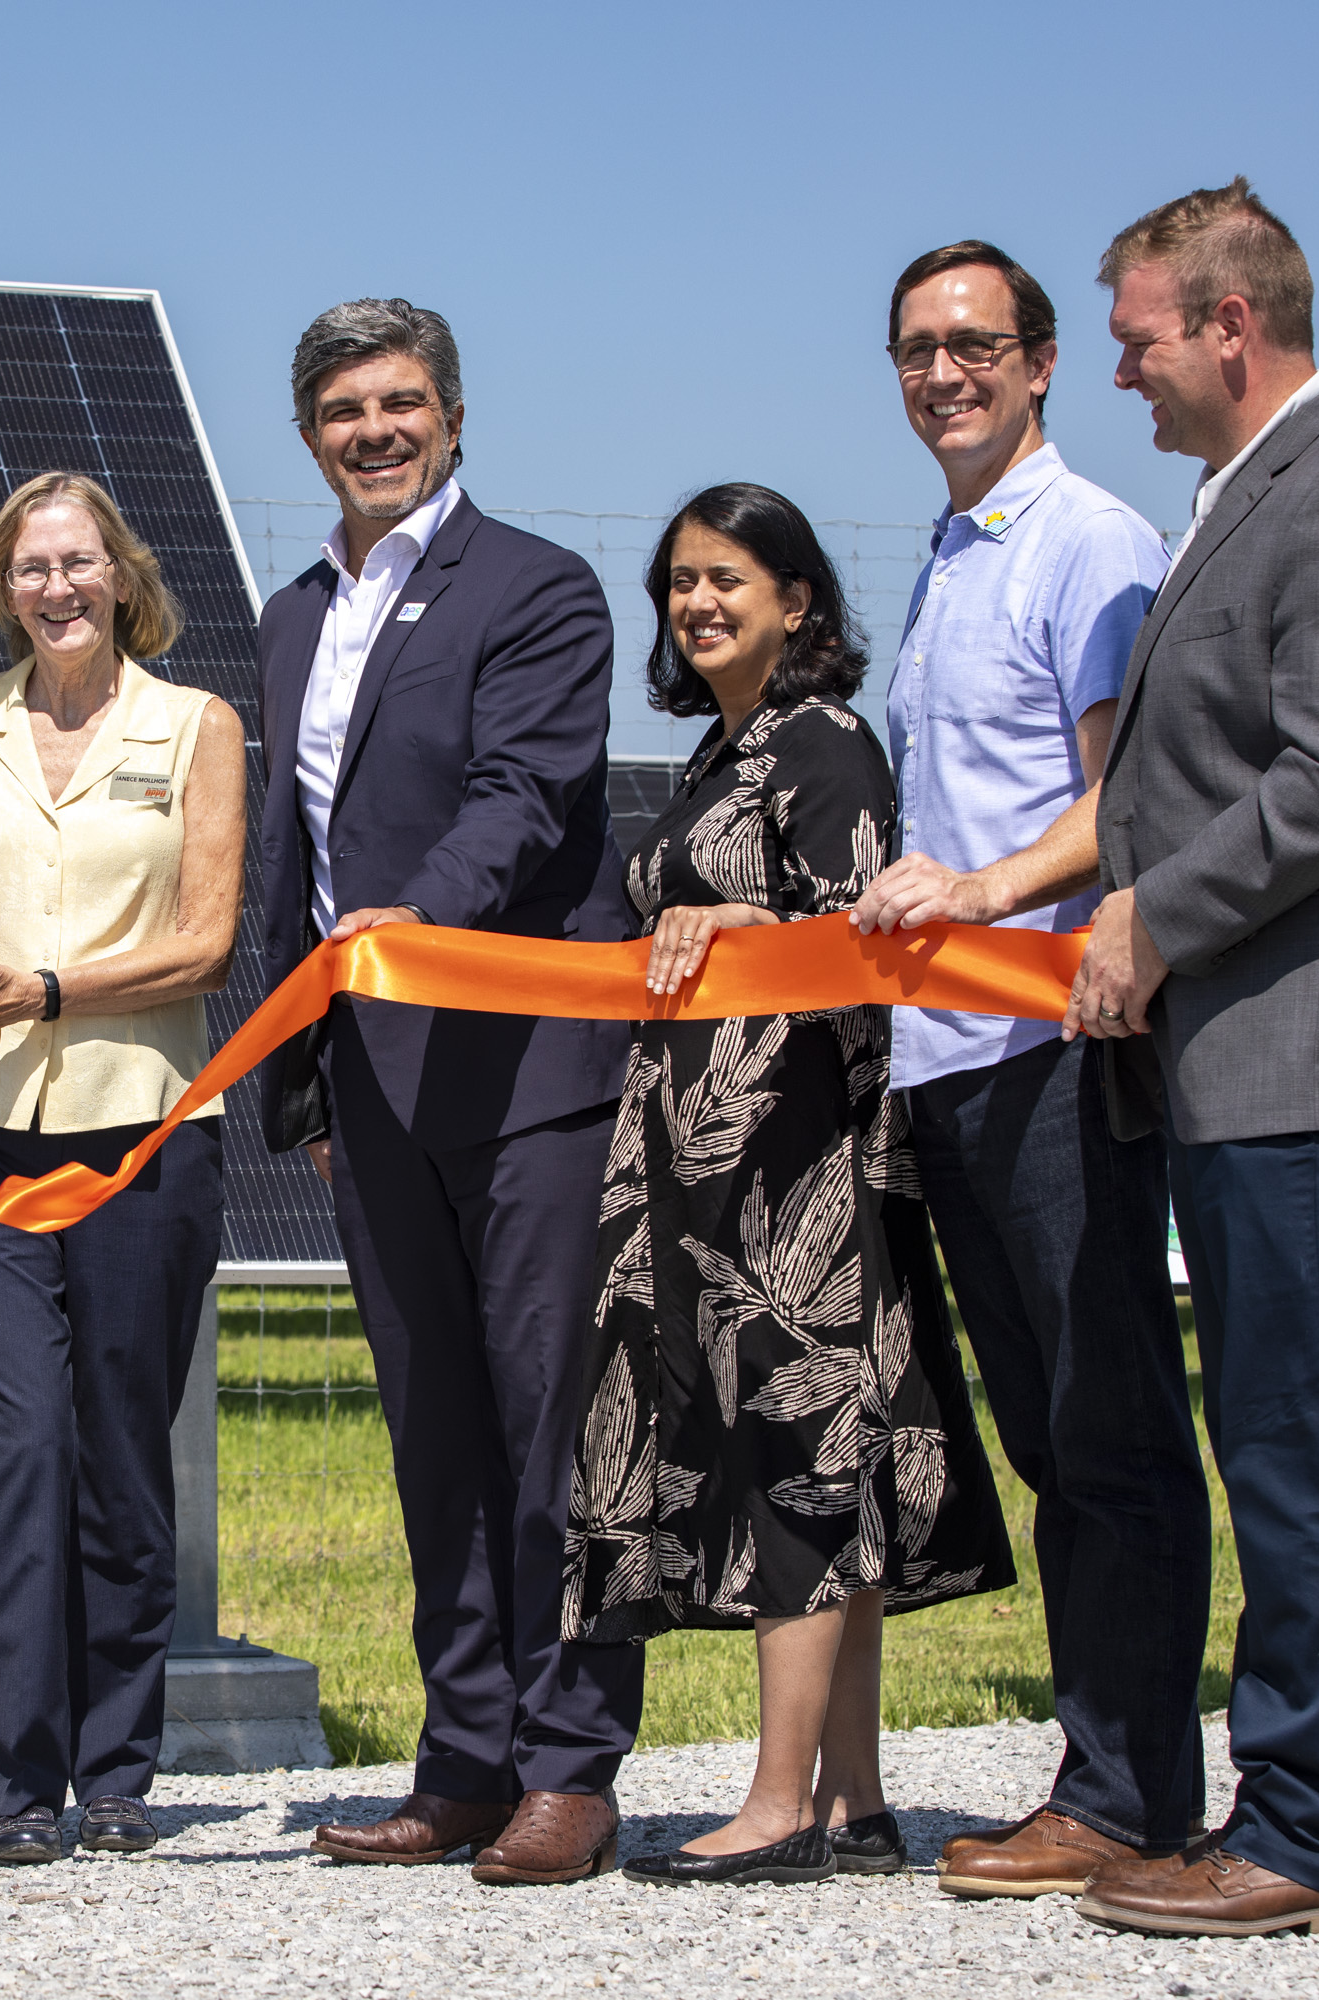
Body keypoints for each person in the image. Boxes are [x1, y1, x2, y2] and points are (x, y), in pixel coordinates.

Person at [1065, 179, 1319, 1940]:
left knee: (1315, 1456)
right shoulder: (1254, 502)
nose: (1125, 380)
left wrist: (1153, 914)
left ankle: (1315, 1833)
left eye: (1140, 342)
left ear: (1232, 327)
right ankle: (1284, 1804)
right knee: (1282, 1441)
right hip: (1259, 1075)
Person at [252, 298, 644, 1885]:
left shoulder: (537, 590)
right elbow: (296, 854)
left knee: (549, 1427)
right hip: (375, 1087)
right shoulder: (288, 617)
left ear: (456, 418)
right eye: (346, 410)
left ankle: (573, 1765)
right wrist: (304, 1070)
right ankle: (464, 1761)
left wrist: (417, 922)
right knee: (434, 1437)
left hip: (524, 1075)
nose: (377, 431)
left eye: (404, 403)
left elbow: (527, 792)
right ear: (311, 436)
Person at [577, 485, 1017, 1889]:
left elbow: (872, 940)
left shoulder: (821, 742)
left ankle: (779, 1804)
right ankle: (855, 1800)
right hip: (703, 1167)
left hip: (795, 1169)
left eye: (725, 579)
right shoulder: (720, 751)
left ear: (798, 600)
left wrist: (750, 923)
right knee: (815, 1462)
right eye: (676, 584)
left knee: (806, 1462)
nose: (695, 603)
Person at [844, 241, 1211, 1897]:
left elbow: (1124, 803)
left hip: (1055, 1045)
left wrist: (983, 895)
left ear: (1045, 361)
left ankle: (1131, 1793)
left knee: (1107, 1422)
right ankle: (1108, 1767)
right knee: (1054, 1441)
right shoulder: (951, 553)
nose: (942, 374)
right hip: (950, 1062)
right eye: (916, 349)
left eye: (973, 344)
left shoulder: (1092, 544)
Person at [0, 473, 244, 1866]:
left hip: (143, 1134)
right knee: (18, 1451)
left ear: (121, 577)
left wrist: (48, 987)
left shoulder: (199, 726)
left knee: (119, 1457)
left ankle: (117, 1770)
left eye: (79, 563)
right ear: (3, 584)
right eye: (33, 567)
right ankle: (16, 1783)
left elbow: (209, 940)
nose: (57, 588)